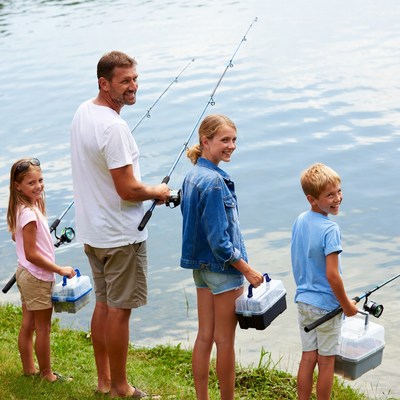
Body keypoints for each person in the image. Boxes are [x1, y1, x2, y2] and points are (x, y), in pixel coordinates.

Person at [70, 50, 170, 398]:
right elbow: (127, 190)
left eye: (135, 79)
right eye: (125, 81)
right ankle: (121, 387)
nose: (133, 86)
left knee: (103, 305)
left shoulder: (84, 112)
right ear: (104, 83)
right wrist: (156, 190)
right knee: (119, 312)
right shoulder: (114, 127)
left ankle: (104, 381)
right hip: (120, 235)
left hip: (94, 231)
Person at [180, 114, 264, 400]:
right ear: (206, 141)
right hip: (223, 270)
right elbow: (220, 242)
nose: (231, 146)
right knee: (225, 341)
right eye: (224, 140)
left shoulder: (192, 175)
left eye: (234, 140)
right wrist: (248, 270)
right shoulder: (215, 182)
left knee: (205, 336)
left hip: (200, 270)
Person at [291, 162, 358, 400]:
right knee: (326, 361)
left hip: (303, 301)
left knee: (308, 356)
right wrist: (347, 306)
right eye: (329, 195)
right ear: (312, 199)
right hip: (326, 306)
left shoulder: (300, 220)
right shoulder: (331, 229)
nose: (337, 198)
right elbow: (332, 275)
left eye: (338, 191)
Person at [6, 158, 76, 382]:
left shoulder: (24, 207)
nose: (38, 186)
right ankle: (46, 373)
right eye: (31, 183)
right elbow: (32, 254)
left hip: (25, 274)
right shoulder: (28, 213)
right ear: (18, 186)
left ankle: (29, 369)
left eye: (40, 180)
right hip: (37, 276)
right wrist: (59, 269)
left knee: (28, 323)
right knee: (43, 327)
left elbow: (17, 238)